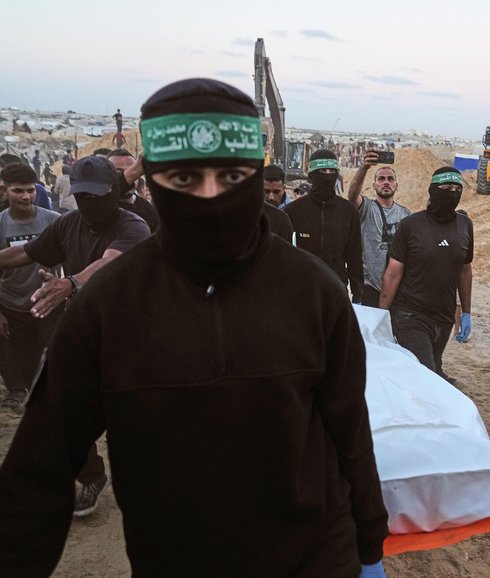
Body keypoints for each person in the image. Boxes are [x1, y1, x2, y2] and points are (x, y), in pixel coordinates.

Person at [0, 78, 388, 577]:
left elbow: (350, 430)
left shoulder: (314, 292)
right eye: (184, 179)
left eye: (229, 177)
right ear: (152, 183)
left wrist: (370, 546)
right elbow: (40, 467)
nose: (209, 197)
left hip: (313, 556)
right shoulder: (108, 306)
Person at [0, 155, 150, 517]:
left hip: (133, 339)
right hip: (85, 334)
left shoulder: (134, 227)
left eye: (97, 196)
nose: (90, 204)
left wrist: (71, 283)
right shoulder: (68, 224)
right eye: (83, 197)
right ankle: (91, 475)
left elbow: (108, 263)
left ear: (114, 191)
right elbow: (24, 253)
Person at [379, 167, 473, 381]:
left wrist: (466, 312)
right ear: (433, 190)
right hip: (410, 314)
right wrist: (382, 315)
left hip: (444, 317)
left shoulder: (465, 225)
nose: (452, 192)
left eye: (457, 188)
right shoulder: (411, 225)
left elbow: (465, 270)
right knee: (426, 376)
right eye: (446, 187)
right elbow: (393, 274)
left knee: (427, 370)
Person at [0, 164, 60, 412]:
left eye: (30, 190)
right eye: (18, 191)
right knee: (12, 352)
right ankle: (16, 391)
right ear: (6, 191)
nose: (25, 196)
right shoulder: (1, 223)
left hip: (48, 300)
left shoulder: (54, 221)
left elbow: (69, 259)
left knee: (50, 351)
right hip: (11, 301)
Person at [285, 149, 364, 303]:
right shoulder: (293, 211)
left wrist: (357, 294)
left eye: (331, 171)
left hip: (336, 290)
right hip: (301, 291)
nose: (327, 176)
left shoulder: (348, 211)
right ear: (312, 175)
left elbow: (354, 255)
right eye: (322, 171)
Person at [348, 149, 412, 307]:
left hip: (397, 287)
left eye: (390, 179)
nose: (386, 182)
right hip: (370, 285)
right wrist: (364, 167)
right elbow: (352, 195)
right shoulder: (367, 208)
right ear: (374, 185)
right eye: (381, 179)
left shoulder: (406, 214)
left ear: (396, 185)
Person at [107, 148, 160, 232]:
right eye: (118, 172)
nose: (131, 178)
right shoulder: (104, 206)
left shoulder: (147, 208)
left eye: (130, 169)